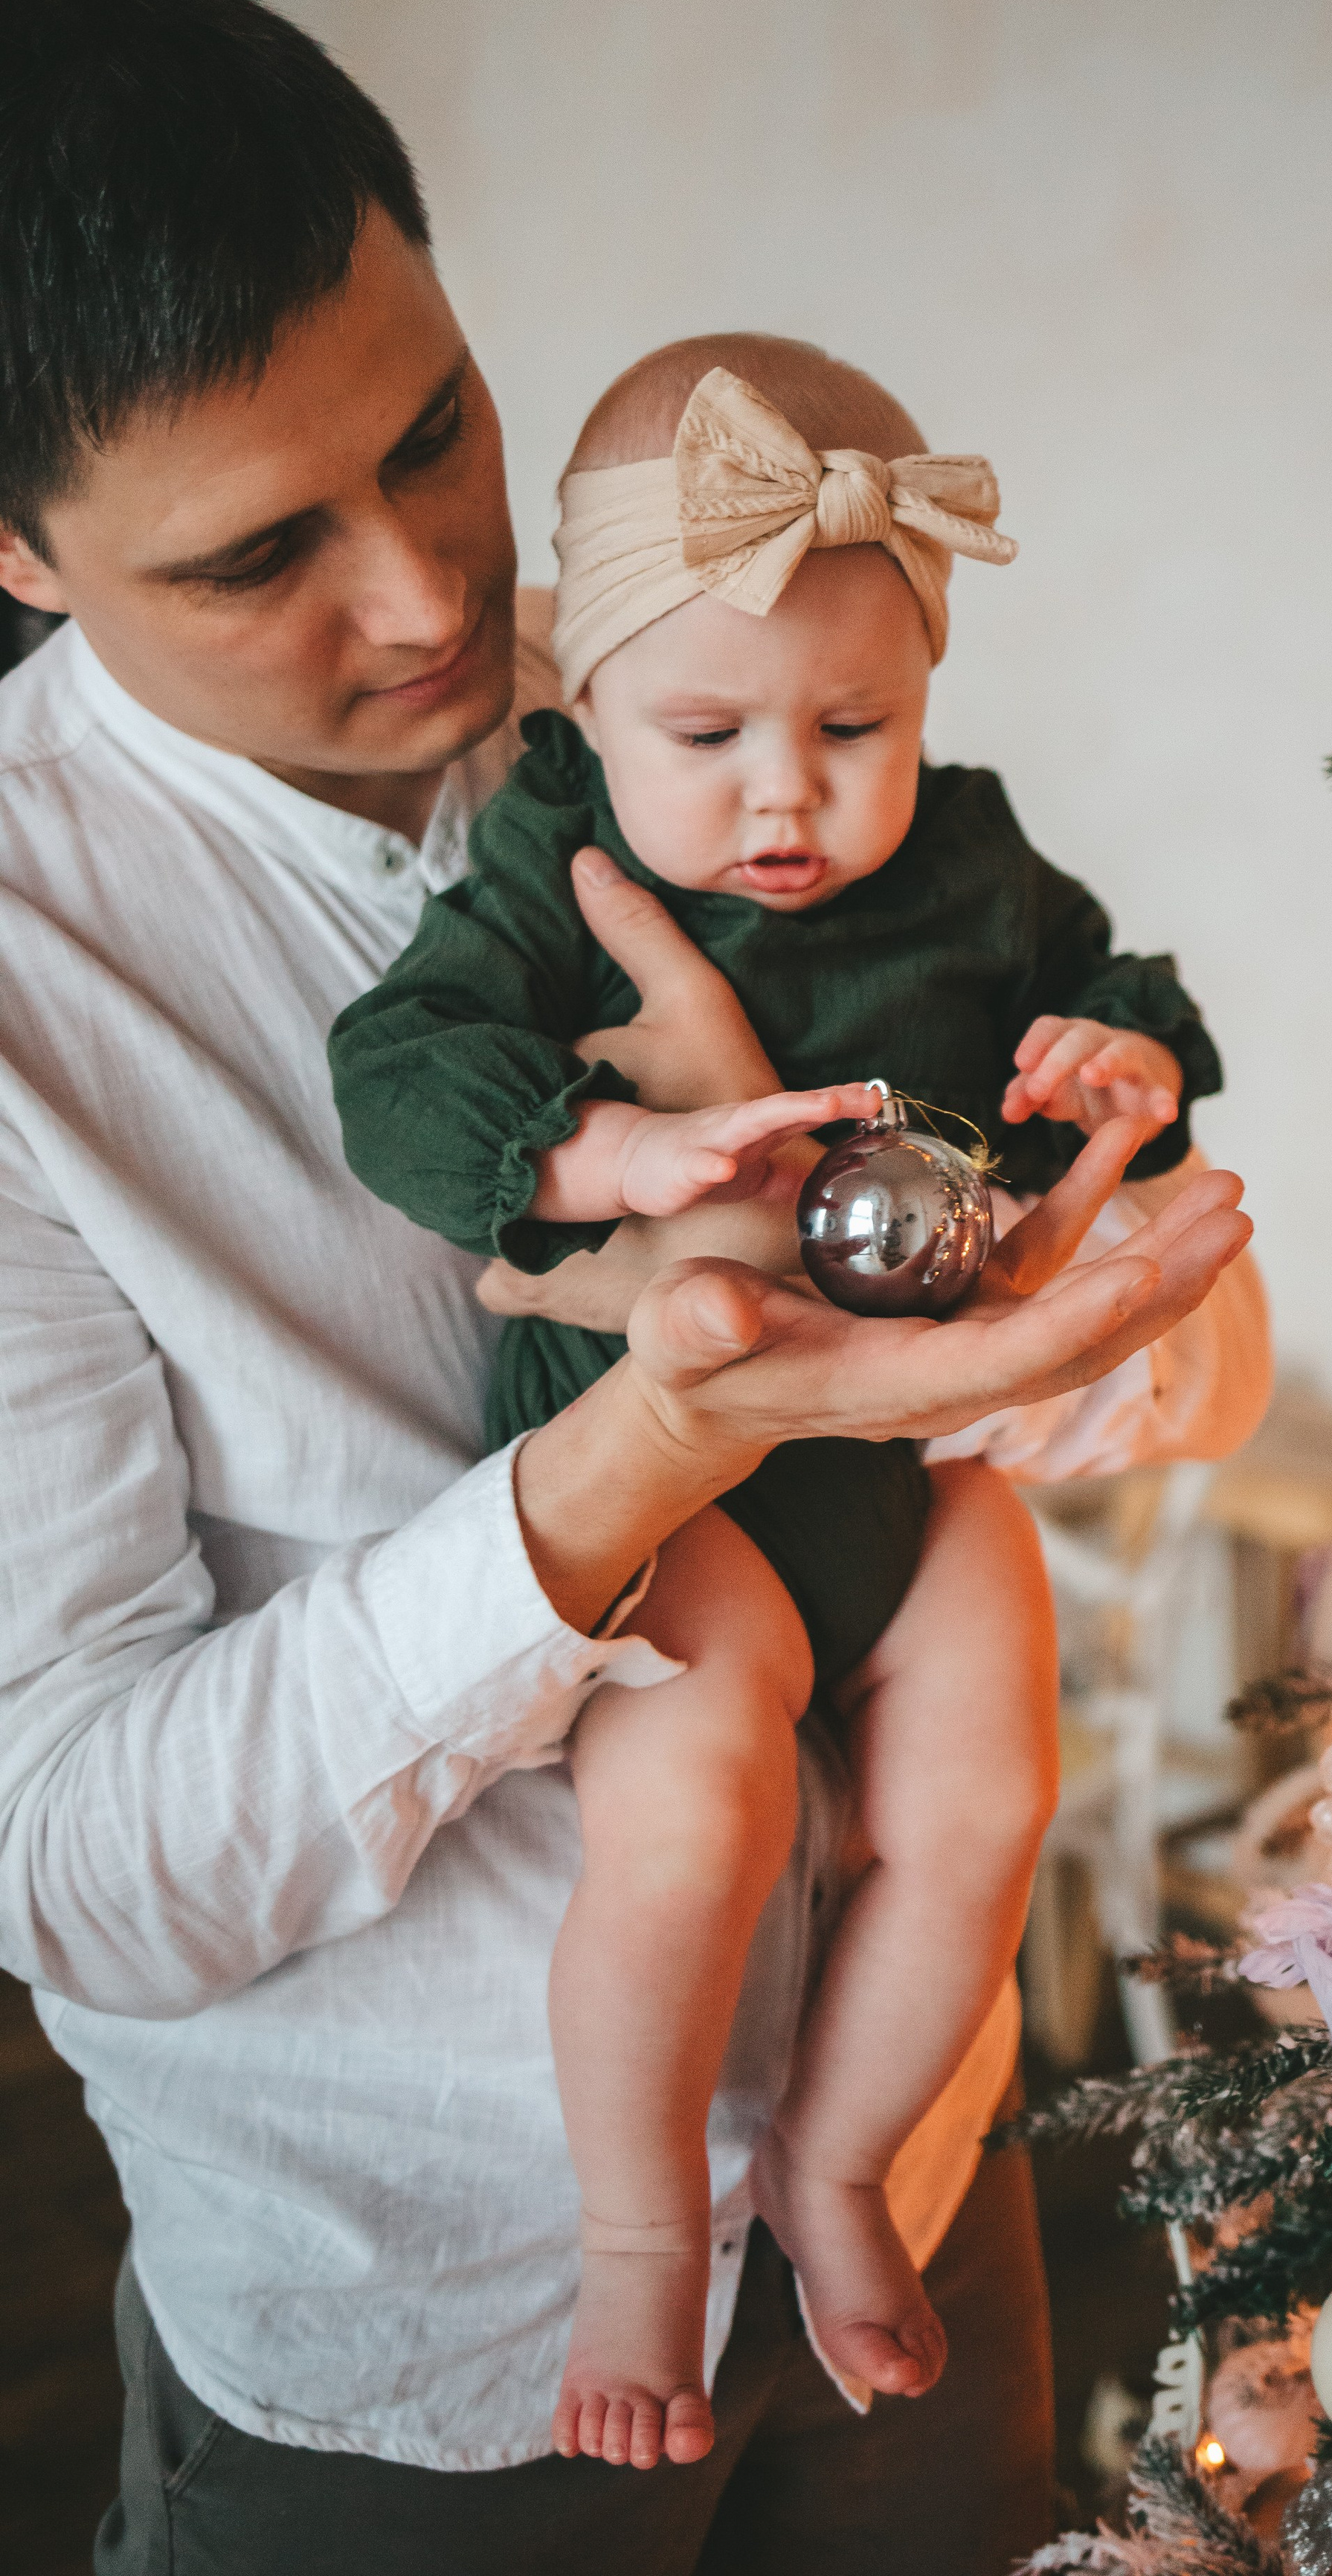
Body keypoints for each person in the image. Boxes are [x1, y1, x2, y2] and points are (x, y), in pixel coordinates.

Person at [0, 0, 1264, 2575]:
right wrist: (658, 1428)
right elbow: (86, 1875)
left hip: (909, 2174)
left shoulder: (711, 698)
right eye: (260, 555)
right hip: (423, 2338)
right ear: (18, 548)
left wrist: (941, 1242)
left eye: (434, 431)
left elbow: (1188, 1367)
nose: (435, 600)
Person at [329, 338, 1225, 2467]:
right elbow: (401, 1067)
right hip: (687, 1483)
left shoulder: (977, 867)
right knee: (695, 1805)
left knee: (992, 1798)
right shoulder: (558, 863)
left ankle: (835, 2169)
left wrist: (1125, 1066)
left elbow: (1116, 988)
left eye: (856, 727)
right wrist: (601, 1156)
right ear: (591, 708)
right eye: (707, 732)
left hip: (909, 1468)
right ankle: (643, 2243)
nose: (787, 794)